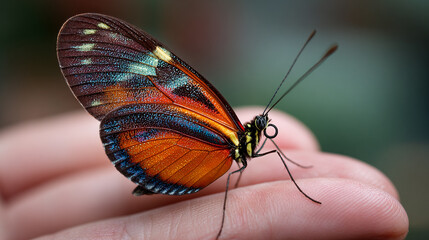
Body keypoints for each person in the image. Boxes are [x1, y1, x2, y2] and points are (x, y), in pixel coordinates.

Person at [0, 107, 408, 240]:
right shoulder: (233, 135)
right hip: (163, 152)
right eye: (260, 129)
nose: (263, 134)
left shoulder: (249, 140)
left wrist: (295, 168)